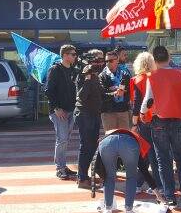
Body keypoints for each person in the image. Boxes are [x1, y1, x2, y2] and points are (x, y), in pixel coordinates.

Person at [143, 45, 181, 207]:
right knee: (180, 157)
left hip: (159, 120)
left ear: (153, 59)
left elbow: (147, 100)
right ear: (169, 57)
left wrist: (142, 114)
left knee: (163, 159)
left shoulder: (152, 76)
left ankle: (170, 196)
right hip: (177, 119)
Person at [90, 128, 166, 213]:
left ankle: (107, 211)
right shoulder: (137, 142)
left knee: (109, 177)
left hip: (106, 143)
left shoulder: (108, 137)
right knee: (131, 177)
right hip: (128, 144)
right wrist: (158, 195)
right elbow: (144, 171)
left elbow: (99, 169)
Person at [45, 44, 79, 180]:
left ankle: (62, 166)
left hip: (72, 109)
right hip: (59, 110)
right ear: (65, 55)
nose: (75, 56)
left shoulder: (74, 71)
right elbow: (48, 90)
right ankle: (60, 168)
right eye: (73, 54)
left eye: (75, 54)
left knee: (65, 139)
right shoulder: (55, 70)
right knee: (62, 139)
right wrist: (56, 108)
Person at [74, 50, 106, 189]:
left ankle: (87, 176)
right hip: (84, 114)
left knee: (92, 146)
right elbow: (81, 96)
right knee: (86, 147)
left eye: (101, 60)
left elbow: (101, 93)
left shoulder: (96, 75)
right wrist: (87, 78)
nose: (100, 63)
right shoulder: (83, 75)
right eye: (97, 61)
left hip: (94, 114)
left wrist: (114, 92)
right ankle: (82, 178)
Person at [131, 51, 161, 192]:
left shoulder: (138, 79)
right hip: (157, 117)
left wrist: (134, 122)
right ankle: (156, 183)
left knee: (145, 152)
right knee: (156, 152)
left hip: (144, 118)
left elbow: (137, 102)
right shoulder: (156, 78)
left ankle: (139, 183)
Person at [100, 50, 132, 130]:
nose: (108, 63)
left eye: (110, 61)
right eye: (106, 61)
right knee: (111, 137)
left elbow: (129, 91)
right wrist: (114, 93)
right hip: (108, 112)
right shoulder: (102, 76)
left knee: (124, 137)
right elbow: (102, 93)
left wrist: (122, 91)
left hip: (123, 110)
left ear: (117, 61)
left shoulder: (125, 74)